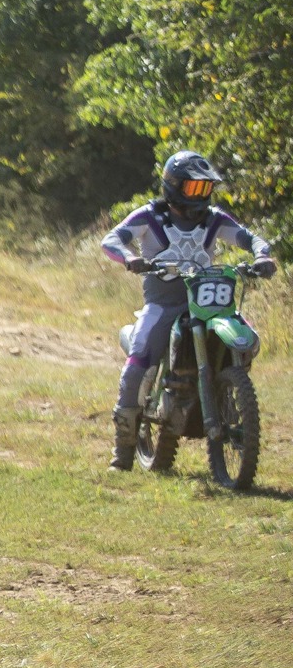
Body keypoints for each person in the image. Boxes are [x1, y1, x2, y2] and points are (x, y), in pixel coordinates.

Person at [100, 151, 275, 469]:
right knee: (138, 358)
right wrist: (129, 258)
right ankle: (123, 451)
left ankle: (227, 394)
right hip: (163, 303)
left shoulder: (214, 219)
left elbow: (250, 239)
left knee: (247, 337)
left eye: (206, 189)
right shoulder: (150, 216)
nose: (202, 195)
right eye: (195, 188)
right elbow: (112, 239)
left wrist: (262, 256)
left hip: (210, 303)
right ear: (174, 186)